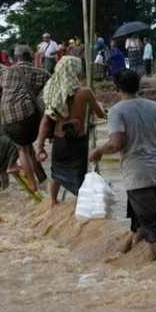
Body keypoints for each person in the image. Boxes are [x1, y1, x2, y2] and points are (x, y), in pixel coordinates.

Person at [89, 69, 156, 260]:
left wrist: (98, 151)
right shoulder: (154, 106)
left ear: (117, 88)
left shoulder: (116, 111)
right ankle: (129, 254)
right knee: (139, 222)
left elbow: (116, 143)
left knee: (152, 228)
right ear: (138, 86)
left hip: (137, 176)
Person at [35, 56, 105, 205]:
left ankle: (53, 203)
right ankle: (80, 211)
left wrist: (40, 146)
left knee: (56, 174)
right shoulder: (85, 92)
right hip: (78, 142)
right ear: (75, 71)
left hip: (60, 140)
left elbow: (46, 121)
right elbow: (100, 114)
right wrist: (97, 105)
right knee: (78, 176)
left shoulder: (53, 93)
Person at [0, 44, 51, 193]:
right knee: (26, 146)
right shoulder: (41, 72)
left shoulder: (5, 72)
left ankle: (30, 177)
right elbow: (51, 86)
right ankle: (34, 181)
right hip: (29, 119)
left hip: (7, 120)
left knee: (22, 148)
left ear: (15, 58)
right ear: (30, 57)